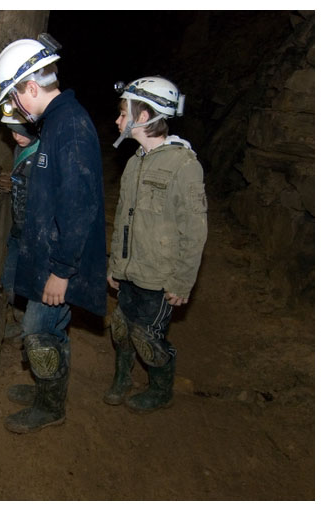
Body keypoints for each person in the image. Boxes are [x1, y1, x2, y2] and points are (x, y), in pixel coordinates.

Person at [0, 34, 106, 433]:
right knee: (50, 330)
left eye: (14, 96)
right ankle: (47, 389)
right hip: (49, 253)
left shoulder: (69, 128)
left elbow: (78, 208)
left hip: (59, 261)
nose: (16, 106)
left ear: (31, 88)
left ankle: (50, 406)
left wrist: (61, 270)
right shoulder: (56, 122)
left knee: (38, 331)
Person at [106, 76, 208, 412]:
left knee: (148, 336)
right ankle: (122, 378)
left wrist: (182, 281)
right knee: (122, 328)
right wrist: (115, 265)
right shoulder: (134, 162)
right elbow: (123, 219)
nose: (118, 120)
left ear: (144, 116)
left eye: (124, 114)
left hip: (159, 276)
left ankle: (161, 389)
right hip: (130, 270)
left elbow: (195, 231)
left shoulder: (184, 165)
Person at [0, 106, 39, 339]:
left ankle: (28, 326)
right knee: (10, 277)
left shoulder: (42, 155)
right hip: (18, 227)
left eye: (21, 131)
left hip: (33, 232)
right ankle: (18, 317)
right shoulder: (20, 149)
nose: (16, 136)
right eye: (12, 131)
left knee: (28, 281)